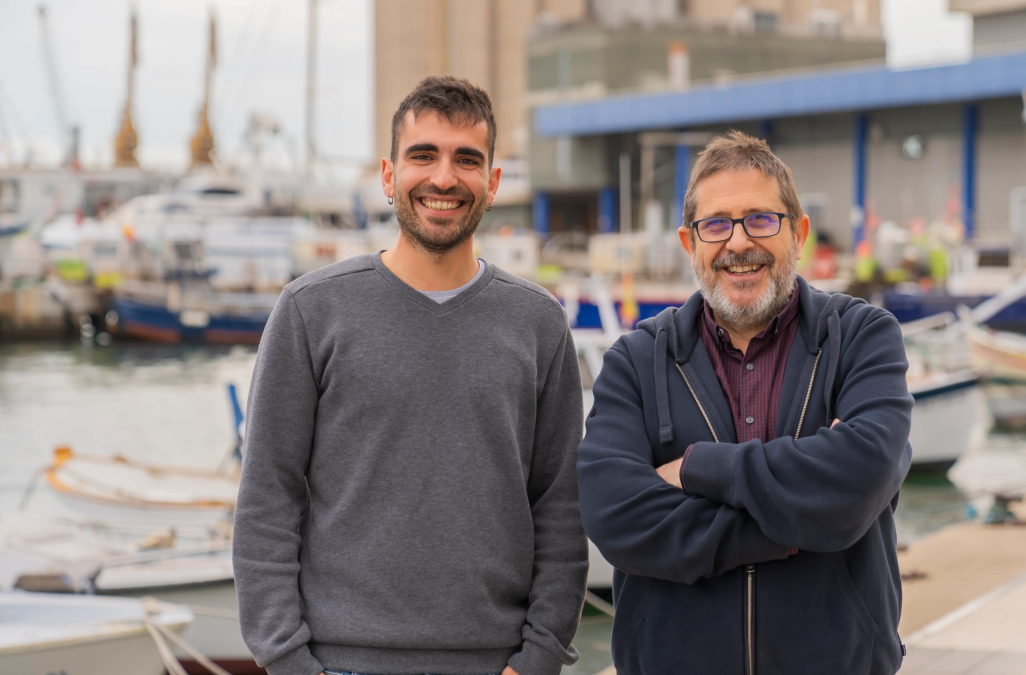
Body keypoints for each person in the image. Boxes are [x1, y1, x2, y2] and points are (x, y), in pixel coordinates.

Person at [233, 75, 588, 675]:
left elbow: (561, 510)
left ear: (493, 183)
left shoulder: (539, 324)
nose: (444, 178)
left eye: (466, 160)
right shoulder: (309, 310)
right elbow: (267, 500)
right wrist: (288, 661)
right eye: (422, 155)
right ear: (389, 174)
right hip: (339, 661)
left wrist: (537, 660)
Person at [578, 131, 913, 674]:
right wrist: (798, 524)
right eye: (716, 225)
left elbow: (861, 477)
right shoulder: (635, 361)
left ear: (798, 233)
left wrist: (697, 468)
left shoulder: (863, 337)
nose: (738, 243)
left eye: (760, 219)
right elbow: (614, 513)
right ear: (690, 244)